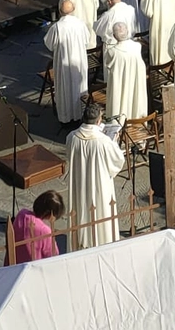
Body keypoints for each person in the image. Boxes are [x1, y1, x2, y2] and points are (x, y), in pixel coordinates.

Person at [64, 102, 126, 249]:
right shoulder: (104, 141)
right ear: (99, 121)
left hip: (79, 183)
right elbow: (117, 161)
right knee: (100, 213)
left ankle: (80, 244)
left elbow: (69, 155)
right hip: (99, 184)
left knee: (80, 212)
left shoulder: (72, 137)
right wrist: (114, 142)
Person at [44, 1, 91, 123]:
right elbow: (87, 40)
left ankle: (66, 116)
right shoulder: (80, 23)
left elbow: (49, 44)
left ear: (60, 11)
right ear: (73, 9)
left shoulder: (57, 27)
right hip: (79, 60)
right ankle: (81, 113)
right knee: (78, 86)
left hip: (63, 62)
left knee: (65, 88)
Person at [103, 21, 148, 120]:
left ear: (114, 36)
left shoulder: (112, 52)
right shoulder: (137, 46)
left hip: (120, 82)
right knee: (134, 98)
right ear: (127, 32)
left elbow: (107, 64)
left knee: (120, 100)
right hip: (135, 79)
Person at [11, 190, 66, 264]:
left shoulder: (22, 214)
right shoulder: (45, 231)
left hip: (13, 264)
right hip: (33, 267)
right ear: (50, 215)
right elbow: (53, 255)